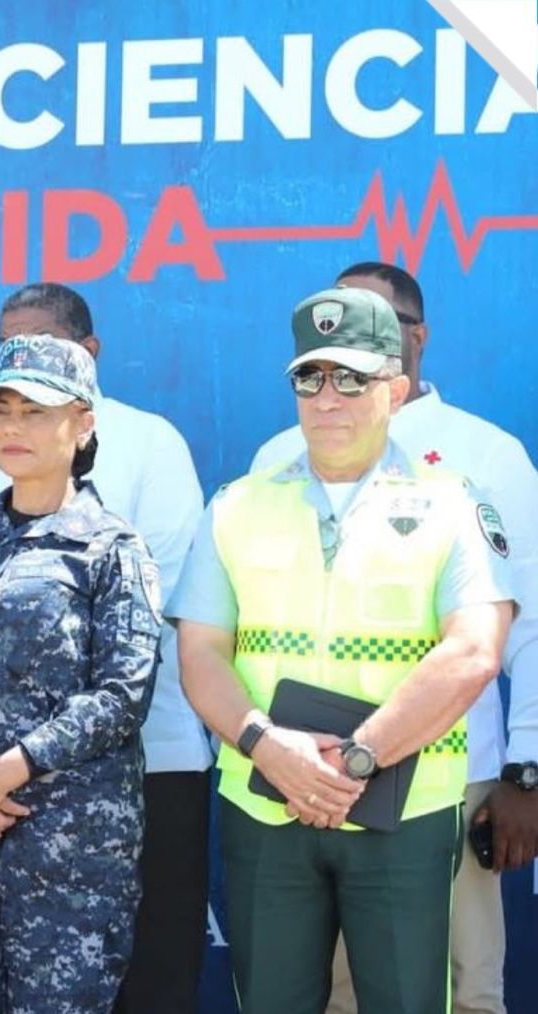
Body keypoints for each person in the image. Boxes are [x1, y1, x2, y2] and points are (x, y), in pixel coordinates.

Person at [169, 285, 514, 1014]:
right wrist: (268, 748)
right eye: (310, 377)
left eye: (352, 378)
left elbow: (474, 651)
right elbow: (200, 652)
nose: (328, 398)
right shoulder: (236, 504)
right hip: (267, 804)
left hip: (404, 809)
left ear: (397, 388)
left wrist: (357, 760)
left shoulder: (453, 502)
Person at [250, 262, 538, 1014]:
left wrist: (527, 770)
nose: (352, 345)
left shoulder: (484, 455)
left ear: (417, 338)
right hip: (308, 780)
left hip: (450, 775)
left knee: (462, 990)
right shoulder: (277, 460)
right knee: (341, 995)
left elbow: (528, 626)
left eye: (376, 324)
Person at [0, 282, 211, 1012]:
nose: (14, 425)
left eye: (36, 408)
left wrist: (9, 769)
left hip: (104, 795)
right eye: (4, 406)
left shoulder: (145, 459)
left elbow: (137, 653)